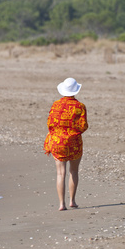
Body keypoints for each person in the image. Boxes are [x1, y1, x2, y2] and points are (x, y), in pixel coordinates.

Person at [44, 77, 88, 211]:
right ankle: (72, 201)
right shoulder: (80, 106)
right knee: (73, 171)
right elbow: (83, 126)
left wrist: (57, 133)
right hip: (74, 142)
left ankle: (61, 204)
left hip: (58, 142)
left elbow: (50, 123)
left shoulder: (55, 105)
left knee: (60, 174)